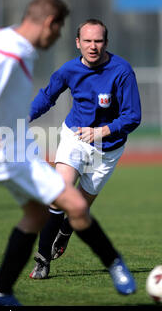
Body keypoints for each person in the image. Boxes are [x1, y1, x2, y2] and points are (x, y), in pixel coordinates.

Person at [0, 0, 136, 306]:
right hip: (8, 148)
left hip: (80, 147)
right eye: (59, 30)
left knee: (38, 214)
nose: (57, 38)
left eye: (98, 40)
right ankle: (114, 265)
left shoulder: (3, 37)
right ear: (51, 24)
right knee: (73, 204)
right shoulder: (13, 53)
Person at [29, 19, 142, 286]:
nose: (93, 46)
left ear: (106, 43)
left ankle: (66, 230)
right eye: (88, 41)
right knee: (60, 192)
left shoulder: (122, 70)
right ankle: (43, 259)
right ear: (78, 43)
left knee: (80, 207)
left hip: (108, 149)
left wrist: (102, 131)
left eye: (99, 41)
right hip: (75, 137)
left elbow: (133, 116)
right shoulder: (68, 69)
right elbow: (47, 97)